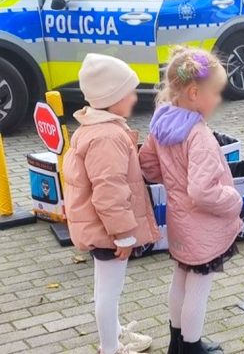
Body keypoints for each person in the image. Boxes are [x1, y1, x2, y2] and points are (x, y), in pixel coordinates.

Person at [139, 48, 242, 354]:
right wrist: (233, 199)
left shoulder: (161, 124)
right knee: (199, 286)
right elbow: (202, 191)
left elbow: (148, 165)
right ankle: (192, 348)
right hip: (203, 227)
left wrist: (173, 180)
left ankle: (176, 343)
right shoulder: (198, 136)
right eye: (216, 93)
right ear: (195, 93)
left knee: (181, 279)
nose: (218, 100)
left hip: (180, 223)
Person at [63, 54, 160, 354]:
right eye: (129, 91)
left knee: (105, 288)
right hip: (109, 231)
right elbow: (109, 190)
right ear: (112, 97)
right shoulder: (107, 136)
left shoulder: (95, 128)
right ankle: (110, 348)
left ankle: (115, 332)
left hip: (101, 227)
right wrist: (123, 233)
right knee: (109, 292)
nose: (134, 96)